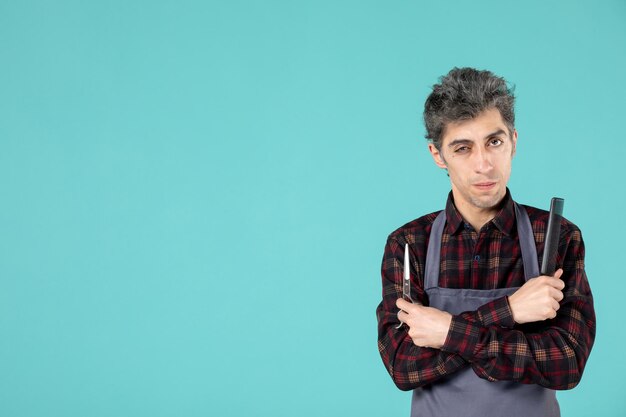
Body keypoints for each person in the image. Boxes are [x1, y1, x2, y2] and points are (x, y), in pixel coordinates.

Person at [375, 67, 596, 417]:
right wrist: (509, 312)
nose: (483, 165)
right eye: (463, 148)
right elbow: (404, 366)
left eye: (494, 142)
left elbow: (567, 362)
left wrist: (447, 330)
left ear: (513, 141)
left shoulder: (557, 238)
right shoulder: (409, 244)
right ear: (438, 156)